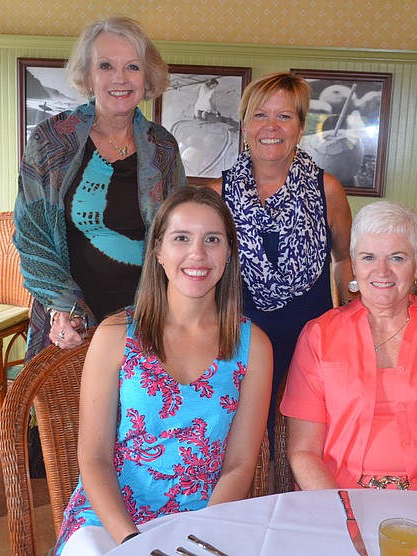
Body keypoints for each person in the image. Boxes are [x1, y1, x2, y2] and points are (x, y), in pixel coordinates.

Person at [53, 186, 272, 555]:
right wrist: (133, 542)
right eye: (181, 238)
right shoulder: (115, 334)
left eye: (212, 239)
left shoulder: (254, 346)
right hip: (110, 522)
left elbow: (239, 464)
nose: (197, 253)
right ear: (158, 250)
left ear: (229, 252)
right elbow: (93, 458)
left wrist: (200, 537)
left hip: (202, 520)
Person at [13, 15, 187, 478]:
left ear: (147, 76)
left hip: (144, 318)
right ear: (88, 74)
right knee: (70, 452)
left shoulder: (163, 147)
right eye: (106, 65)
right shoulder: (51, 140)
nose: (119, 78)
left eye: (132, 66)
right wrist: (63, 308)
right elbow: (31, 233)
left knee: (141, 448)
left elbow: (178, 235)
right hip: (70, 319)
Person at [280, 201, 417, 495]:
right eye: (368, 257)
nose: (382, 271)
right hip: (334, 495)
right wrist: (342, 511)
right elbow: (304, 452)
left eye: (397, 258)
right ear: (353, 264)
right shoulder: (318, 337)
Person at [207, 72, 353, 437]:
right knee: (242, 445)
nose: (271, 126)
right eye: (260, 115)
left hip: (310, 343)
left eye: (284, 116)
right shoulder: (216, 196)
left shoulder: (327, 190)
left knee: (302, 445)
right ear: (244, 126)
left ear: (300, 128)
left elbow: (345, 260)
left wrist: (353, 317)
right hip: (236, 341)